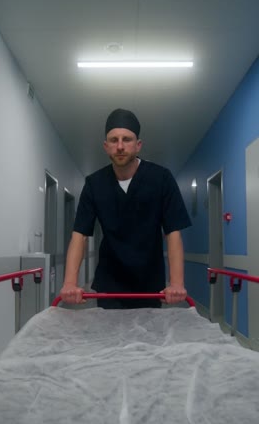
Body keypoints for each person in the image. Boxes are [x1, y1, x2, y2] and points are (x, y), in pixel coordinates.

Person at [60, 108, 191, 308]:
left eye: (127, 139)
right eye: (114, 140)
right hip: (109, 284)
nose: (120, 146)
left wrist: (177, 283)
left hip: (149, 285)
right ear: (106, 146)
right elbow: (79, 235)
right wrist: (69, 283)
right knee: (108, 339)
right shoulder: (94, 184)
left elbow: (173, 233)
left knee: (148, 338)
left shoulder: (161, 179)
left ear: (138, 145)